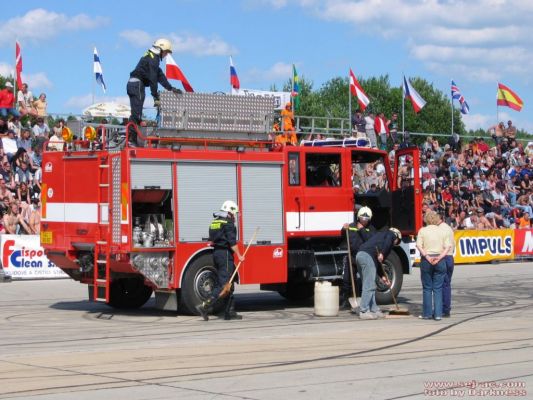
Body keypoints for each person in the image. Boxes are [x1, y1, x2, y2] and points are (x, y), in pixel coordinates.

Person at [127, 38, 182, 145]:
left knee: (137, 113)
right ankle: (131, 141)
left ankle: (133, 140)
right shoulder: (153, 59)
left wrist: (170, 88)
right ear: (161, 49)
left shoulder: (151, 57)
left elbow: (160, 76)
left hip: (134, 85)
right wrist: (155, 96)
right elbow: (153, 79)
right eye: (166, 52)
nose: (166, 55)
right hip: (137, 85)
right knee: (136, 114)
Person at [198, 200, 245, 321]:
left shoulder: (215, 222)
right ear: (229, 212)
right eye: (233, 214)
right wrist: (240, 255)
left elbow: (213, 239)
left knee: (228, 282)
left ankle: (230, 312)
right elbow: (232, 243)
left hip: (217, 254)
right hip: (225, 254)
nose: (234, 217)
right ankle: (205, 306)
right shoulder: (228, 224)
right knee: (224, 284)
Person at [355, 227, 402, 320]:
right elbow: (389, 240)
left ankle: (374, 309)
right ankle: (364, 310)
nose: (395, 244)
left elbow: (378, 263)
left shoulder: (380, 237)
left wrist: (383, 277)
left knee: (369, 284)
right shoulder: (390, 235)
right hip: (367, 256)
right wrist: (383, 253)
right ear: (397, 237)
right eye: (397, 241)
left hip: (360, 255)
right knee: (369, 285)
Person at [416, 211, 452, 321]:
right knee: (438, 288)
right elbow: (448, 247)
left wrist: (427, 256)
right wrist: (439, 257)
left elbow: (419, 246)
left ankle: (427, 313)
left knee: (427, 288)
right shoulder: (442, 231)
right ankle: (438, 314)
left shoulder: (422, 230)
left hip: (427, 259)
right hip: (439, 259)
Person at [339, 206, 376, 310]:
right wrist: (343, 229)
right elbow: (342, 236)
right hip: (351, 256)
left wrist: (362, 230)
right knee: (347, 279)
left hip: (364, 256)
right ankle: (345, 301)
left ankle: (363, 300)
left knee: (364, 280)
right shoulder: (351, 226)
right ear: (358, 217)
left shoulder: (371, 229)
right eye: (362, 218)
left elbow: (370, 239)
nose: (364, 221)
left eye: (366, 219)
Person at [435, 212, 455, 318]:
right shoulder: (448, 228)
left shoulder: (439, 229)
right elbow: (454, 244)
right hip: (450, 256)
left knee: (441, 285)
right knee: (447, 285)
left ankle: (443, 309)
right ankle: (446, 308)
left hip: (443, 256)